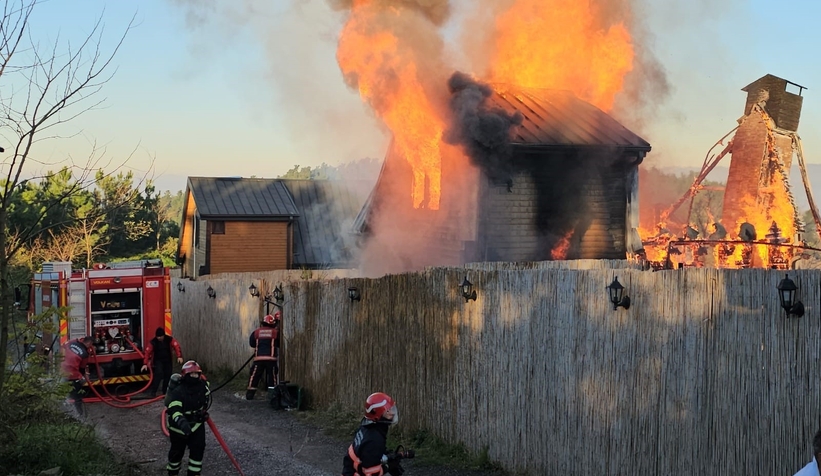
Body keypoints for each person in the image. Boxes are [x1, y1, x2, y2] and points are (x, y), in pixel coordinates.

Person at [165, 360, 211, 476]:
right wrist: (181, 421)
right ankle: (173, 472)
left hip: (196, 425)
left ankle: (194, 473)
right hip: (178, 428)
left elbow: (205, 401)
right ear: (185, 375)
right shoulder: (178, 391)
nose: (194, 377)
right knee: (177, 452)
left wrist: (202, 412)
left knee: (198, 450)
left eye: (197, 374)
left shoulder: (202, 387)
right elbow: (174, 409)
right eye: (192, 374)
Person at [342, 392, 402, 476]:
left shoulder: (366, 428)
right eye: (388, 410)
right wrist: (389, 466)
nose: (392, 413)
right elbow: (372, 473)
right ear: (378, 413)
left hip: (350, 471)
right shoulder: (374, 440)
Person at [246, 311, 280, 400]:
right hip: (271, 359)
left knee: (254, 376)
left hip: (258, 359)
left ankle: (250, 395)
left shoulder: (256, 332)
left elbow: (252, 343)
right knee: (272, 377)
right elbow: (279, 344)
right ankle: (273, 396)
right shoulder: (275, 332)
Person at [142, 327, 184, 397]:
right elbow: (147, 352)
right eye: (157, 336)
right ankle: (153, 392)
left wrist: (179, 356)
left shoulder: (169, 339)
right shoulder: (153, 342)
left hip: (168, 361)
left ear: (163, 336)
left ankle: (165, 392)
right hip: (158, 361)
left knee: (168, 375)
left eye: (160, 336)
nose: (159, 338)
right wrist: (145, 363)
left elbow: (176, 346)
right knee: (158, 374)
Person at [60, 335, 94, 414]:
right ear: (89, 343)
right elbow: (82, 368)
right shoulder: (85, 354)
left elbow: (63, 345)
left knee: (62, 393)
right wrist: (83, 377)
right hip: (74, 376)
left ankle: (62, 410)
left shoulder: (73, 341)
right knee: (77, 397)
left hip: (62, 372)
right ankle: (80, 414)